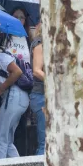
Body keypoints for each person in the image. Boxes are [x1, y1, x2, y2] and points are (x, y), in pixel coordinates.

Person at [0, 45, 29, 159]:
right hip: (20, 98)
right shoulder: (3, 56)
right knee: (7, 140)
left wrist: (1, 89)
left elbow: (17, 72)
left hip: (13, 97)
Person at [30, 24, 46, 155]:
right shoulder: (40, 44)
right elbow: (36, 70)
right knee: (45, 142)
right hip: (41, 95)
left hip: (44, 95)